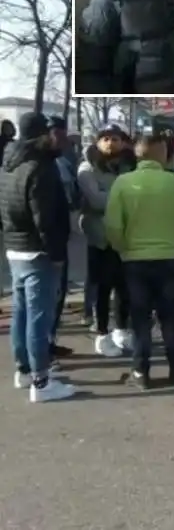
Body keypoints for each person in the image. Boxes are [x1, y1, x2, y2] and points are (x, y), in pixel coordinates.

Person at [104, 133, 174, 390]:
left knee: (140, 318)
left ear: (137, 154)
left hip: (134, 261)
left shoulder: (123, 184)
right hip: (169, 258)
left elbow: (112, 225)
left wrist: (123, 249)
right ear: (162, 154)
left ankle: (140, 371)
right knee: (170, 316)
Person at [0, 113, 75, 401]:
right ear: (41, 134)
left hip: (15, 248)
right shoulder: (40, 167)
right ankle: (41, 382)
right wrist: (55, 253)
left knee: (21, 312)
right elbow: (45, 218)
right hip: (37, 251)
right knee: (39, 317)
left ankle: (24, 370)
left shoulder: (8, 165)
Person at [77, 124, 137, 357]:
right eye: (105, 139)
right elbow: (96, 201)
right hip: (99, 236)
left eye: (115, 138)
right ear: (97, 142)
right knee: (102, 287)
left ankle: (122, 329)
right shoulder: (87, 167)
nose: (110, 143)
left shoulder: (130, 165)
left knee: (124, 287)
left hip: (124, 236)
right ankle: (102, 333)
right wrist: (124, 197)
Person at [47, 116, 80, 359]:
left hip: (50, 238)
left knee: (53, 297)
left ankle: (46, 344)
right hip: (47, 242)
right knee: (48, 298)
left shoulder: (62, 159)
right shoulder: (45, 166)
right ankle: (39, 357)